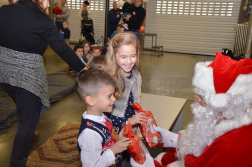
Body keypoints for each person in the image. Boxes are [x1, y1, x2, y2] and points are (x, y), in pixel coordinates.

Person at [0, 0, 85, 166]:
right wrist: (83, 71)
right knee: (27, 121)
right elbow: (62, 48)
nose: (48, 5)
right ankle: (17, 160)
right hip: (26, 78)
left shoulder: (4, 10)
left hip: (4, 75)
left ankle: (29, 136)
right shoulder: (42, 20)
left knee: (33, 106)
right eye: (46, 1)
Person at [130, 52, 252, 167]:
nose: (196, 99)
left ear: (224, 104)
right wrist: (177, 141)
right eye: (196, 93)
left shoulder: (229, 151)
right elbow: (202, 143)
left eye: (202, 96)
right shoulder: (225, 118)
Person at [76, 69, 131, 167]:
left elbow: (108, 140)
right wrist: (113, 150)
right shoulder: (90, 134)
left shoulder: (102, 116)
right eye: (109, 96)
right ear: (91, 100)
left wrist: (118, 139)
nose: (114, 99)